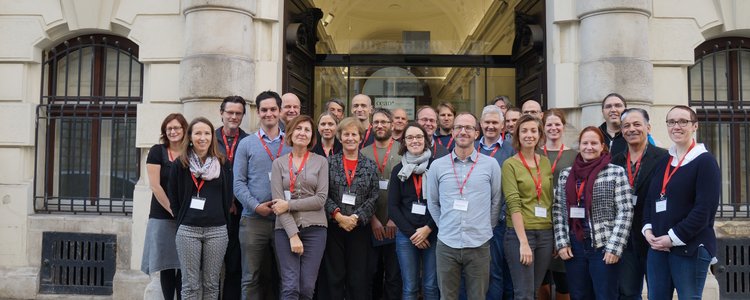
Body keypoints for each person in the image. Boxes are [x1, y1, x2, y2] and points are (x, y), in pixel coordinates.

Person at [642, 105, 720, 299]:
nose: (676, 126)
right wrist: (648, 230)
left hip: (690, 248)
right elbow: (651, 200)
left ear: (695, 126)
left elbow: (704, 210)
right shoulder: (664, 161)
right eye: (671, 122)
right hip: (658, 248)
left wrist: (672, 237)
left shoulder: (705, 161)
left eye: (683, 121)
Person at [426, 113, 503, 300]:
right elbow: (433, 203)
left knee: (478, 296)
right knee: (447, 297)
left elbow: (496, 201)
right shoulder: (437, 166)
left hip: (479, 244)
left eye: (468, 128)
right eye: (459, 127)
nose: (463, 131)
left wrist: (485, 227)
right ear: (452, 133)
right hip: (447, 244)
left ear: (477, 133)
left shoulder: (491, 165)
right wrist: (445, 225)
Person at [553, 126, 633, 299]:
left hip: (604, 246)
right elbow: (559, 210)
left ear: (602, 146)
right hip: (574, 245)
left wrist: (615, 247)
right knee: (579, 295)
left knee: (605, 295)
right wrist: (561, 242)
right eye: (585, 143)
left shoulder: (615, 172)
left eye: (594, 143)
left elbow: (625, 211)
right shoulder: (566, 174)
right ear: (579, 146)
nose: (589, 147)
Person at [233, 91, 292, 300]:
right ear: (258, 112)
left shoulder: (291, 143)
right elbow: (238, 183)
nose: (269, 114)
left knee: (287, 277)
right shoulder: (246, 144)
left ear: (280, 111)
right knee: (251, 277)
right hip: (253, 220)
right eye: (264, 110)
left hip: (285, 220)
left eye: (273, 109)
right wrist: (256, 206)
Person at [168, 117, 232, 300]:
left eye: (207, 133)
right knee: (190, 285)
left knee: (212, 284)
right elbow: (173, 196)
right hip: (188, 230)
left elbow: (228, 197)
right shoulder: (180, 164)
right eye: (198, 133)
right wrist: (183, 216)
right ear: (190, 137)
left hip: (217, 231)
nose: (202, 137)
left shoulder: (223, 163)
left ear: (212, 137)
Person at [319, 117, 380, 300]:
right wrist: (338, 216)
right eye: (346, 134)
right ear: (339, 137)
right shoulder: (329, 163)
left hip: (359, 228)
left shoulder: (370, 165)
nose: (350, 138)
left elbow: (374, 196)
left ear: (361, 137)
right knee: (334, 276)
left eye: (354, 134)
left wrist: (355, 218)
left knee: (358, 277)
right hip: (334, 227)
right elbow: (323, 194)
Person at [270, 115, 329, 300]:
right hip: (285, 230)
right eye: (298, 128)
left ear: (312, 136)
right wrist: (293, 235)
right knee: (290, 287)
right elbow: (277, 204)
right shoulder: (278, 163)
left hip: (315, 230)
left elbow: (320, 199)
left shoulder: (321, 162)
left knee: (306, 288)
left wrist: (289, 204)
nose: (302, 133)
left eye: (307, 130)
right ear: (290, 132)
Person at [611, 108, 668, 300]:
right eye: (626, 126)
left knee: (658, 292)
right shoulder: (616, 161)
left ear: (648, 127)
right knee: (627, 293)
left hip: (654, 236)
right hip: (626, 238)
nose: (631, 129)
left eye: (637, 124)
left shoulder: (664, 158)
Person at [501, 114, 554, 300]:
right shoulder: (510, 165)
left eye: (533, 130)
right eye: (524, 131)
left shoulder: (546, 163)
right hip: (521, 235)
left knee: (533, 290)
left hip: (546, 234)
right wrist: (523, 242)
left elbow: (549, 200)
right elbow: (513, 203)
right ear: (517, 135)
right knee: (523, 294)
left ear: (540, 135)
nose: (529, 135)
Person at [388, 123, 439, 300]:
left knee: (431, 286)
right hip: (406, 236)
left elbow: (443, 203)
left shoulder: (437, 166)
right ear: (404, 142)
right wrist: (413, 235)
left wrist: (427, 229)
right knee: (409, 287)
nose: (414, 140)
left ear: (425, 140)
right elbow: (393, 207)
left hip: (433, 232)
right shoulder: (398, 170)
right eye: (410, 137)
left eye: (419, 137)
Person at [142, 113, 188, 300]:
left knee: (184, 265)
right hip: (162, 216)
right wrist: (173, 210)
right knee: (167, 265)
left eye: (176, 127)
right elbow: (155, 186)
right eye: (169, 128)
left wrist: (184, 212)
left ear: (184, 130)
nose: (173, 131)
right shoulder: (157, 151)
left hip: (186, 216)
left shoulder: (190, 152)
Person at [362, 108, 403, 300]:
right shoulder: (363, 152)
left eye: (384, 122)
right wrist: (372, 220)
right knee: (371, 276)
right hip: (370, 225)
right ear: (372, 126)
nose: (380, 125)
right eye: (376, 122)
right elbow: (359, 192)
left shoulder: (404, 150)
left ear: (392, 125)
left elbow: (409, 191)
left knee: (394, 277)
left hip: (396, 225)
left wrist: (396, 219)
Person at [475, 105, 515, 299]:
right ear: (481, 124)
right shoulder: (471, 148)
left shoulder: (511, 151)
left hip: (500, 222)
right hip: (474, 220)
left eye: (495, 123)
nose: (490, 126)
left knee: (498, 271)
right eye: (487, 122)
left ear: (502, 126)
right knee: (478, 272)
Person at [537, 108, 576, 300]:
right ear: (543, 128)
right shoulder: (535, 152)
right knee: (540, 276)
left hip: (564, 220)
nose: (553, 128)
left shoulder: (574, 155)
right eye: (549, 124)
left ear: (563, 126)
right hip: (538, 218)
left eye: (557, 124)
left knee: (563, 278)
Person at [216, 95, 249, 299]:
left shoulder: (249, 141)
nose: (234, 116)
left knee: (235, 265)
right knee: (210, 267)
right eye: (230, 112)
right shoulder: (208, 137)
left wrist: (235, 201)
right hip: (214, 212)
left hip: (239, 213)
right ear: (221, 113)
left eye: (238, 113)